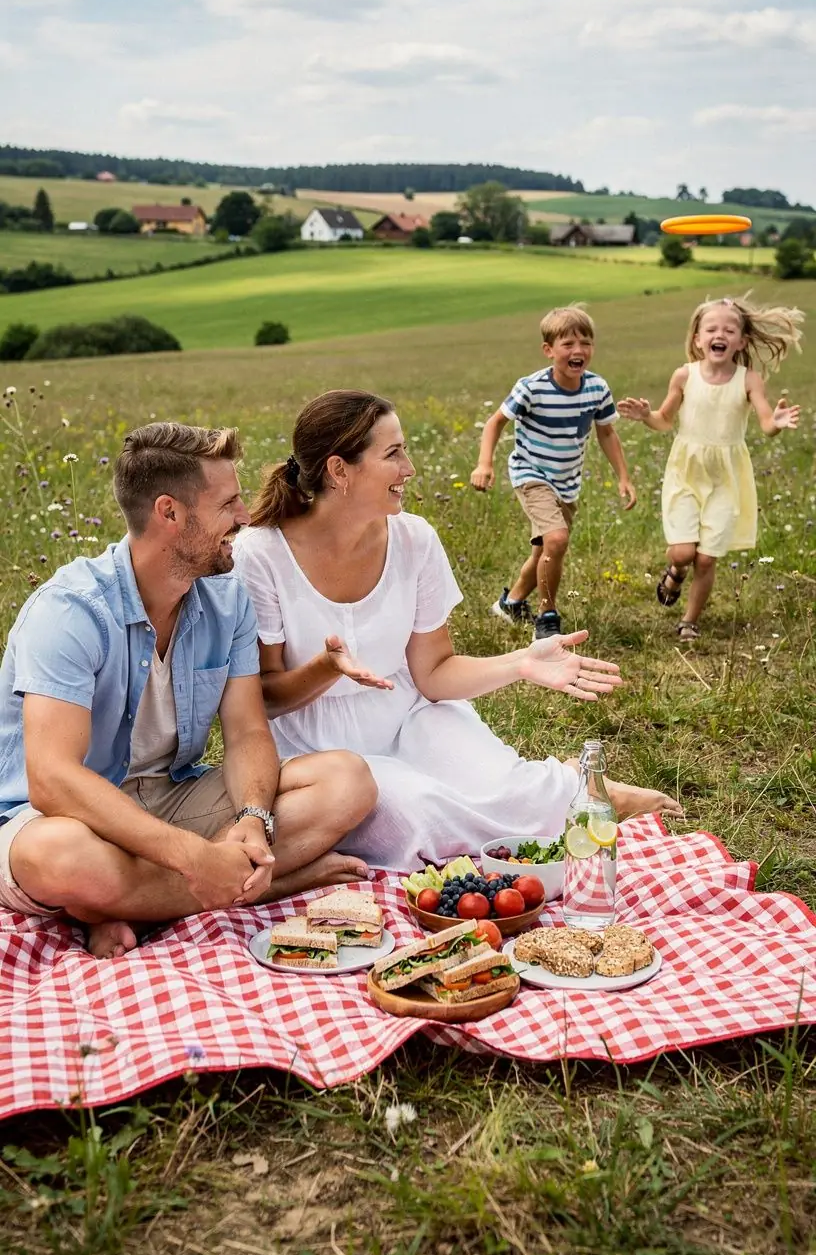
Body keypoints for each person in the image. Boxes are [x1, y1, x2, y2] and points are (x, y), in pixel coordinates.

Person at [231, 390, 682, 872]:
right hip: (321, 749)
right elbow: (266, 697)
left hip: (411, 714)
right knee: (422, 818)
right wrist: (326, 668)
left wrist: (521, 663)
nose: (410, 468)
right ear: (340, 471)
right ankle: (563, 796)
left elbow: (434, 672)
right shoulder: (261, 553)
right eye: (393, 454)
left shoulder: (414, 538)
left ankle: (568, 788)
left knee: (500, 787)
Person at [0, 422, 377, 959]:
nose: (245, 518)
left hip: (170, 794)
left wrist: (253, 817)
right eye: (228, 504)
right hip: (63, 818)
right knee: (57, 856)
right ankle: (259, 885)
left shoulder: (228, 601)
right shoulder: (71, 611)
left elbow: (247, 731)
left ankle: (122, 904)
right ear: (169, 513)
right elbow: (52, 780)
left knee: (347, 781)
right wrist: (191, 857)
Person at [618, 296, 803, 641]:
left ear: (742, 341)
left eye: (730, 330)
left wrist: (776, 422)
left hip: (727, 478)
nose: (721, 334)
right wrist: (646, 417)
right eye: (712, 329)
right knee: (684, 552)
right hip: (686, 472)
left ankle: (689, 621)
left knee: (706, 559)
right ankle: (675, 569)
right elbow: (664, 420)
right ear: (698, 339)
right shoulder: (684, 375)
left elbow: (765, 423)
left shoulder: (750, 379)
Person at [470, 305, 636, 639]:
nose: (579, 351)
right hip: (530, 474)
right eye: (568, 344)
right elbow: (495, 423)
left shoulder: (597, 389)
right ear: (549, 351)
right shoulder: (531, 388)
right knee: (556, 540)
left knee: (547, 551)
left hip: (567, 483)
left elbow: (606, 432)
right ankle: (547, 617)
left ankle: (511, 603)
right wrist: (484, 463)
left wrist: (624, 477)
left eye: (585, 343)